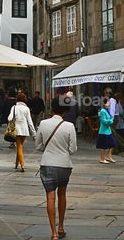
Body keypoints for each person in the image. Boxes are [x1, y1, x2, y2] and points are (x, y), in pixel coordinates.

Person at [35, 97, 78, 240]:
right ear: (65, 110)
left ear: (52, 108)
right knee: (62, 194)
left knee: (50, 195)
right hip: (64, 165)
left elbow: (38, 146)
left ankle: (53, 233)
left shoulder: (43, 123)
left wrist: (49, 149)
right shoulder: (69, 126)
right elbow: (73, 149)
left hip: (48, 163)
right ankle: (61, 227)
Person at [10, 92, 37, 171]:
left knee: (19, 146)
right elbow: (30, 122)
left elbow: (9, 118)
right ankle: (16, 163)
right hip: (25, 130)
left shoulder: (14, 107)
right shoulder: (26, 109)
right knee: (20, 146)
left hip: (16, 129)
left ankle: (22, 165)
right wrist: (34, 134)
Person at [96, 93, 115, 163]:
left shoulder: (107, 110)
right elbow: (103, 121)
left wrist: (110, 120)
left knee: (112, 144)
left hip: (108, 131)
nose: (109, 104)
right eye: (107, 103)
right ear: (104, 104)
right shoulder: (102, 111)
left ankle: (109, 157)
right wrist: (111, 121)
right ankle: (102, 159)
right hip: (103, 131)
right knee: (103, 146)